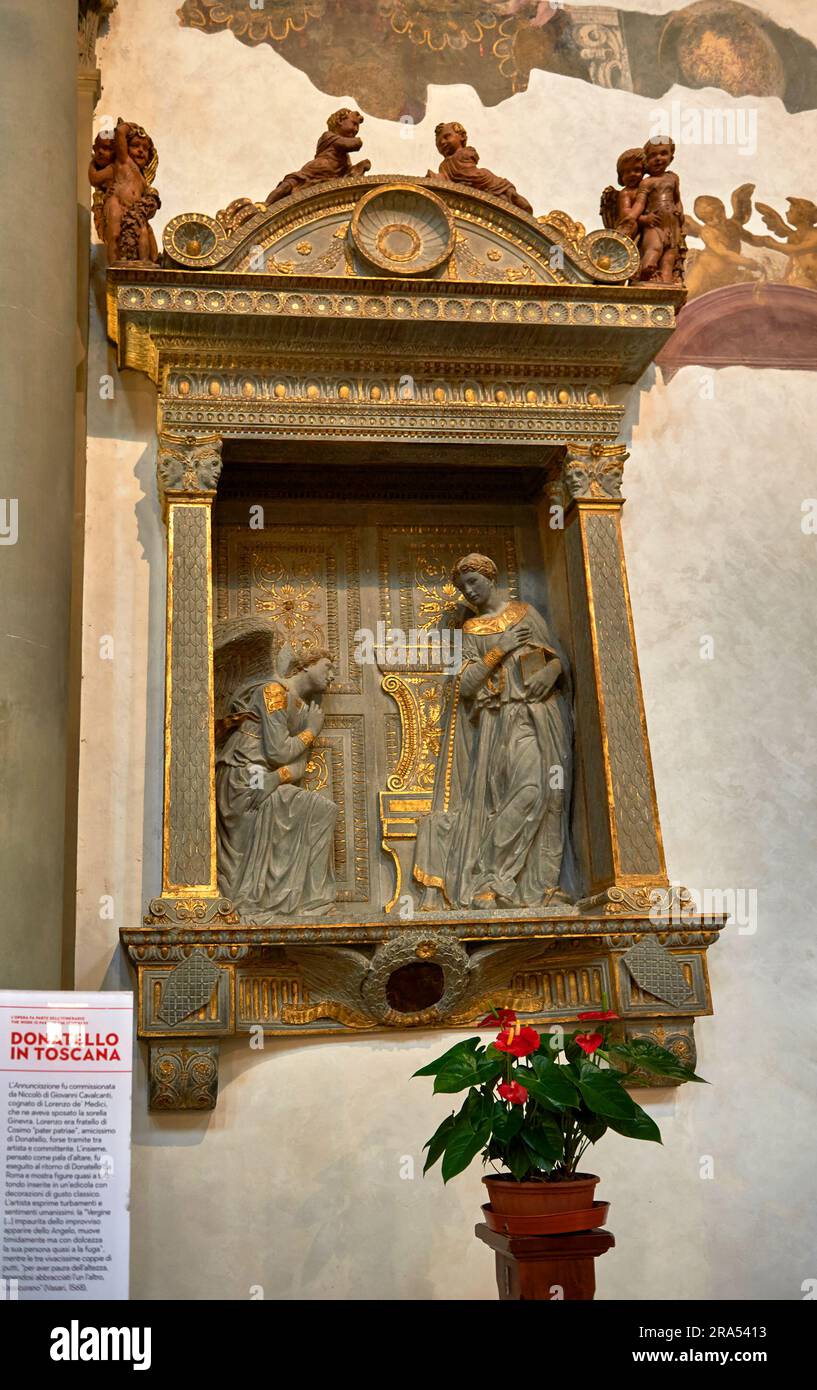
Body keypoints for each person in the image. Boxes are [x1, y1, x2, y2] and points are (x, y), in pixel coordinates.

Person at [413, 554, 575, 910]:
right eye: (462, 587)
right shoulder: (472, 631)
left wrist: (552, 671)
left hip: (540, 715)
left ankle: (542, 884)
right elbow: (468, 685)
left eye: (473, 582)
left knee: (548, 794)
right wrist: (501, 649)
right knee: (520, 795)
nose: (469, 591)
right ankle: (492, 878)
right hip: (499, 721)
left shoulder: (525, 613)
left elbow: (552, 657)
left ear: (491, 577)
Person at [216, 646, 337, 917]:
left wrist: (276, 776)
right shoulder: (273, 691)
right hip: (245, 774)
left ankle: (311, 901)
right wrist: (310, 732)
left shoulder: (300, 707)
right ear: (306, 665)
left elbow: (298, 767)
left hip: (264, 777)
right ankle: (246, 901)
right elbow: (279, 752)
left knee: (323, 810)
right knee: (240, 867)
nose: (332, 676)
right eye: (327, 666)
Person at [266, 109, 371, 205]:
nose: (356, 129)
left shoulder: (345, 157)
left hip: (330, 176)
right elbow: (352, 144)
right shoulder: (329, 136)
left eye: (357, 127)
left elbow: (348, 174)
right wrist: (359, 141)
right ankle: (266, 204)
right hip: (315, 170)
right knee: (289, 185)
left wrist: (361, 166)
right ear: (340, 121)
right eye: (354, 124)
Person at [429, 122, 533, 214]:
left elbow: (467, 171)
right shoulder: (443, 165)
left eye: (447, 137)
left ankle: (520, 204)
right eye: (439, 143)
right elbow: (448, 181)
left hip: (481, 179)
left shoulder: (465, 152)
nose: (442, 143)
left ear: (462, 136)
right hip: (468, 184)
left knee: (506, 191)